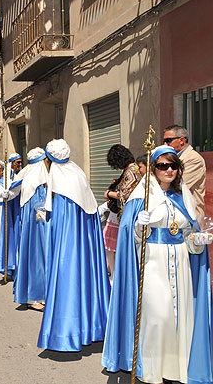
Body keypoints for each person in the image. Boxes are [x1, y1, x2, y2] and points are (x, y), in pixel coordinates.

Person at [102, 145, 213, 384]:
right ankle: (151, 367)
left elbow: (189, 234)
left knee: (179, 316)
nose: (169, 170)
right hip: (153, 263)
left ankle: (176, 368)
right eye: (163, 165)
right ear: (153, 169)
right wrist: (140, 227)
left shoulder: (183, 195)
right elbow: (130, 242)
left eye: (174, 165)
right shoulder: (140, 198)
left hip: (181, 262)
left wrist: (199, 241)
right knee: (158, 316)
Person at [37, 139, 111, 352]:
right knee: (86, 276)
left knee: (68, 277)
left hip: (68, 244)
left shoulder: (58, 180)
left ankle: (67, 332)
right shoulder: (77, 172)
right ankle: (92, 327)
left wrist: (46, 219)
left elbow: (60, 220)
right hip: (86, 240)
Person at [13, 148, 49, 311]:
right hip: (36, 227)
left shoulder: (33, 178)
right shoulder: (36, 183)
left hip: (38, 225)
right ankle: (34, 296)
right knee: (36, 256)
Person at [102, 144, 142, 276]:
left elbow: (125, 194)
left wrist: (109, 194)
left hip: (128, 215)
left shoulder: (132, 171)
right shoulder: (131, 170)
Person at [163, 125, 206, 219]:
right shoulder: (173, 158)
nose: (165, 144)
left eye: (169, 140)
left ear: (181, 140)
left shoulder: (194, 159)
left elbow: (177, 184)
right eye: (164, 141)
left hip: (190, 215)